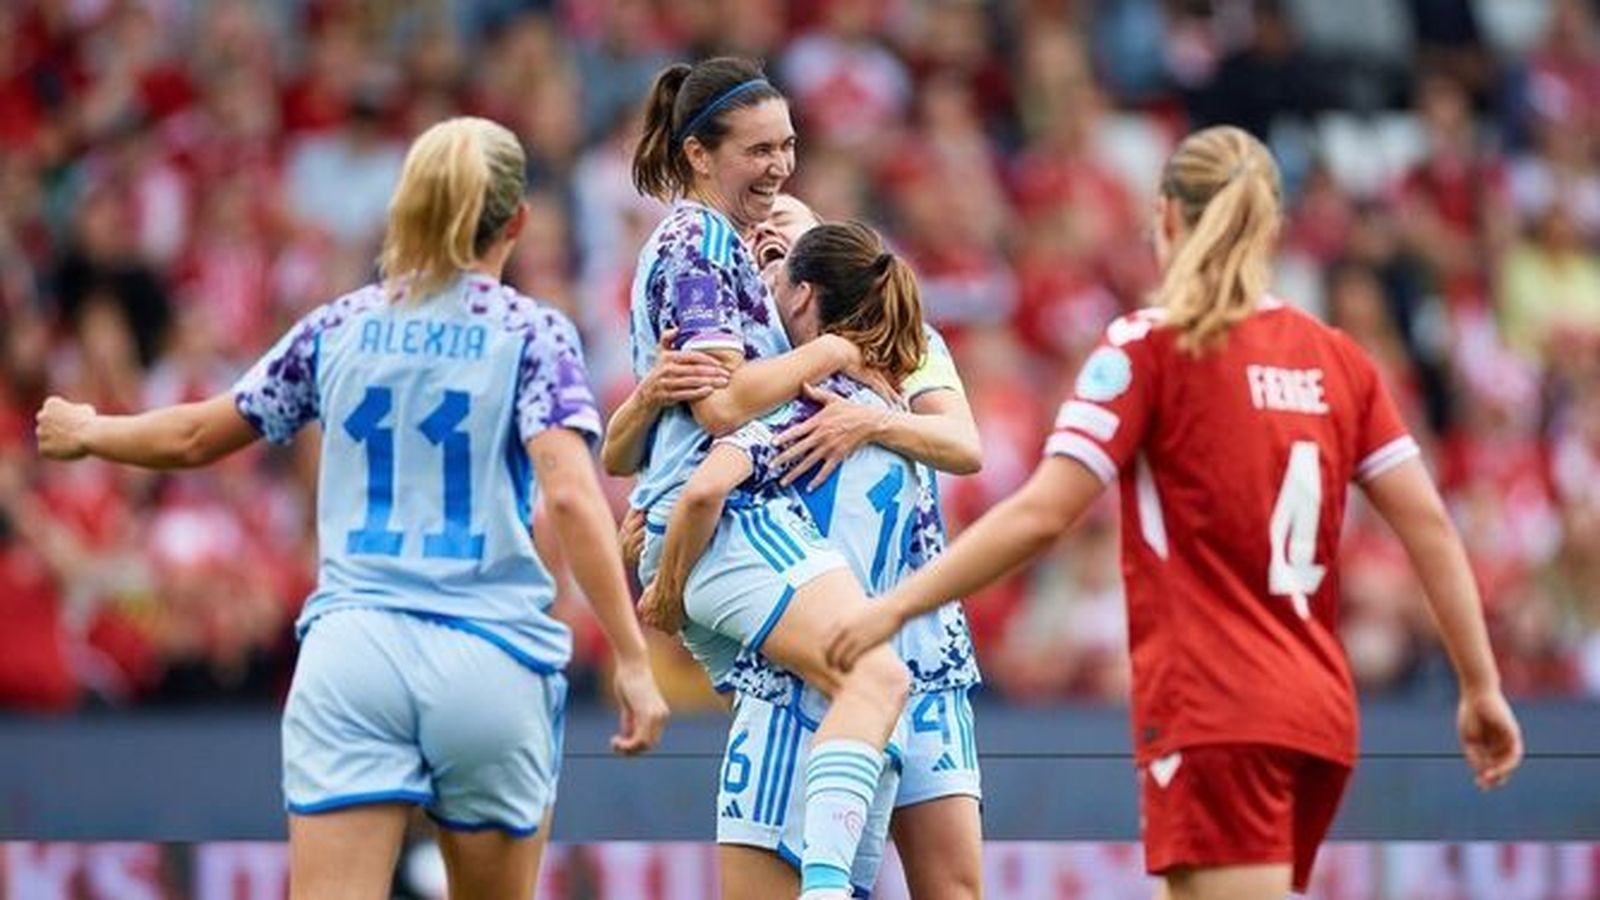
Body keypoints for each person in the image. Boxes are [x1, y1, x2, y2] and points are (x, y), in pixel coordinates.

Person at [826, 126, 1525, 900]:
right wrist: (1481, 685)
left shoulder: (1149, 347)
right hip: (1316, 706)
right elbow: (1429, 525)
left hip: (1219, 707)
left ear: (1164, 217)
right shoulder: (1337, 358)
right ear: (1271, 227)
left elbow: (1043, 514)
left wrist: (897, 606)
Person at [35, 117, 669, 900]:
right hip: (489, 653)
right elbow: (570, 493)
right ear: (517, 221)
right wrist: (630, 658)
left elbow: (199, 434)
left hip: (355, 652)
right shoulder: (532, 333)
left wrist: (90, 430)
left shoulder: (339, 325)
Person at [624, 57, 931, 899]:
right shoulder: (696, 244)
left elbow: (659, 424)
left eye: (788, 146)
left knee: (857, 712)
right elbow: (722, 406)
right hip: (729, 518)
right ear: (697, 154)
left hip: (728, 519)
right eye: (758, 150)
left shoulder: (725, 246)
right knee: (874, 676)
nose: (780, 166)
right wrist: (829, 350)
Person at [634, 220, 985, 898]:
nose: (763, 275)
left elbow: (705, 480)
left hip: (808, 675)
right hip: (912, 658)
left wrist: (664, 567)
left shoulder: (803, 403)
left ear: (802, 291)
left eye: (777, 258)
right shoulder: (888, 358)